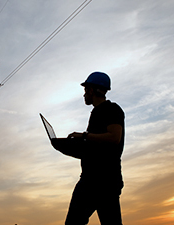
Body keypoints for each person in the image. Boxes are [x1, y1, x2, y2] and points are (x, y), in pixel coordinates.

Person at [52, 72, 125, 225]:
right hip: (90, 179)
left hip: (104, 181)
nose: (84, 94)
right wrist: (66, 146)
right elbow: (94, 149)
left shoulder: (112, 109)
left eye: (85, 90)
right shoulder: (96, 113)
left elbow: (114, 137)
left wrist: (84, 136)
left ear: (92, 90)